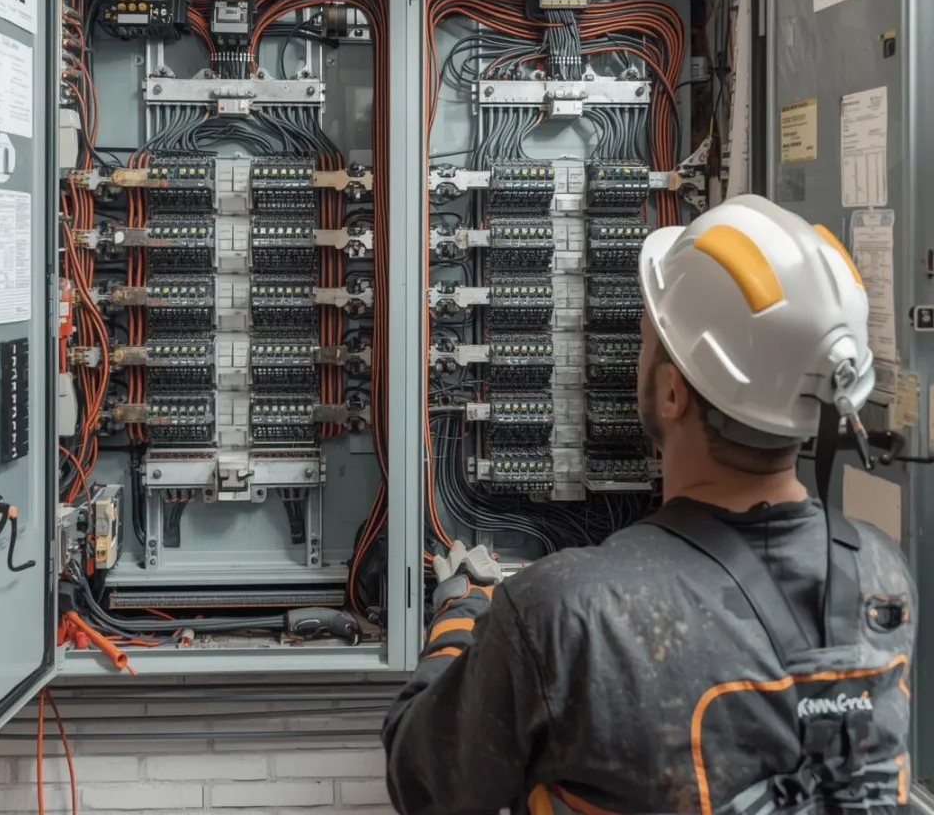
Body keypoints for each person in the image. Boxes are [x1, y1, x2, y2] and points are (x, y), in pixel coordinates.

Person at [383, 194, 916, 815]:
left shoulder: (567, 612)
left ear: (670, 393)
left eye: (645, 342)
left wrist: (455, 617)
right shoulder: (880, 572)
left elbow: (422, 781)